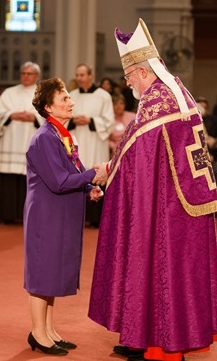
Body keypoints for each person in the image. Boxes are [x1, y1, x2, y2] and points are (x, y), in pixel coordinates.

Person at [89, 18, 217, 361]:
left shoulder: (157, 102)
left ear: (144, 72)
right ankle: (143, 336)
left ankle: (159, 344)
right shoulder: (177, 92)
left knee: (159, 264)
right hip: (188, 201)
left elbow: (137, 156)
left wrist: (107, 171)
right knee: (171, 270)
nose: (129, 83)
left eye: (130, 77)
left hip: (166, 204)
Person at [23, 77, 103, 355]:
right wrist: (94, 174)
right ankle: (37, 332)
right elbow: (58, 181)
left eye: (69, 97)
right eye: (64, 99)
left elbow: (72, 173)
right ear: (49, 107)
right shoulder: (45, 138)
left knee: (52, 271)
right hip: (46, 215)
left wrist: (89, 188)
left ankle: (48, 329)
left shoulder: (61, 135)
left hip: (59, 212)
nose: (71, 102)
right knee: (42, 273)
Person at [0, 61, 43, 224]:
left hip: (31, 141)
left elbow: (51, 115)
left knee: (30, 178)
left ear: (37, 76)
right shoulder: (9, 92)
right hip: (11, 141)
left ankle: (29, 216)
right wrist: (10, 115)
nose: (25, 76)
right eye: (23, 73)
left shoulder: (43, 93)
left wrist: (34, 117)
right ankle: (7, 214)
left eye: (29, 74)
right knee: (9, 179)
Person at [67, 63, 115, 227]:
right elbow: (63, 119)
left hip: (96, 140)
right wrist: (73, 121)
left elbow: (109, 121)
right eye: (77, 75)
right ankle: (76, 216)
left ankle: (95, 218)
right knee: (76, 173)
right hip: (77, 139)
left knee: (95, 174)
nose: (79, 78)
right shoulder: (71, 95)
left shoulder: (103, 96)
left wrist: (91, 121)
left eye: (82, 75)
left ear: (90, 75)